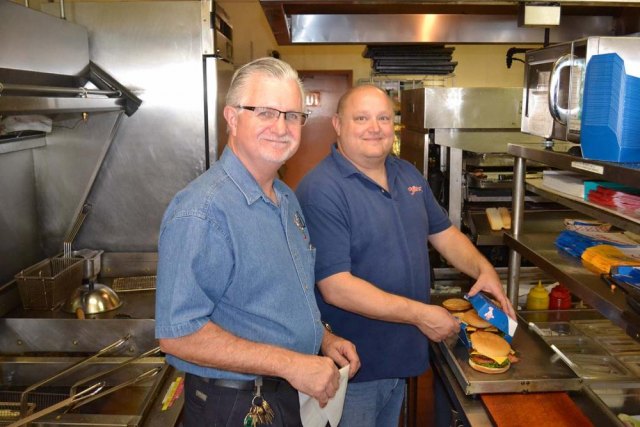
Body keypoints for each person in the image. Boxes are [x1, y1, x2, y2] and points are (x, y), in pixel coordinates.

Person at [155, 57, 360, 427]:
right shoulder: (202, 211)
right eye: (265, 112)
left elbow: (280, 296)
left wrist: (322, 339)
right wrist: (290, 362)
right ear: (232, 118)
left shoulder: (285, 198)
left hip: (285, 394)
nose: (281, 127)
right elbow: (178, 333)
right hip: (237, 405)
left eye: (292, 115)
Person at [296, 84, 516, 426]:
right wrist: (421, 315)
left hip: (400, 358)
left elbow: (444, 234)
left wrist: (482, 269)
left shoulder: (407, 173)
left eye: (383, 117)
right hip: (354, 369)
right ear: (338, 124)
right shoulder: (322, 189)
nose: (375, 127)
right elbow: (335, 286)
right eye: (362, 118)